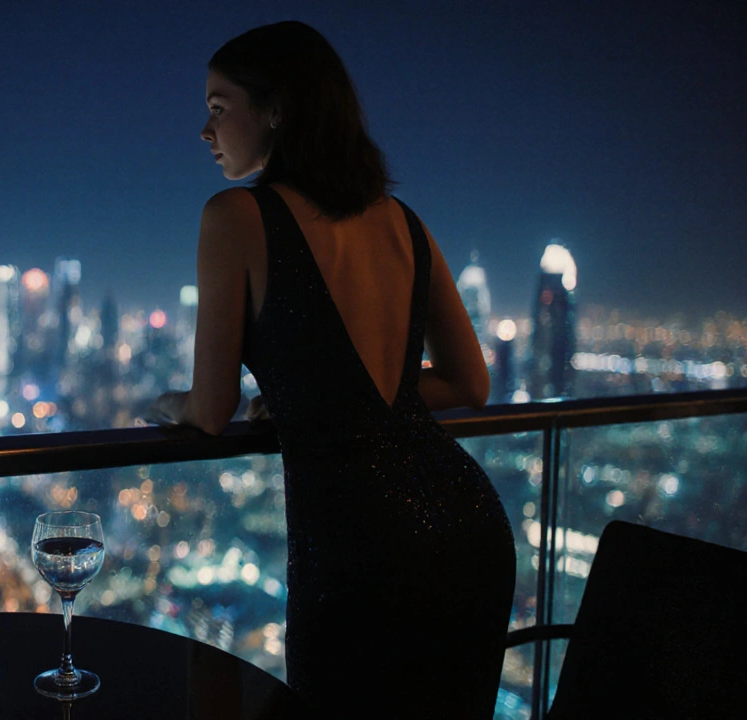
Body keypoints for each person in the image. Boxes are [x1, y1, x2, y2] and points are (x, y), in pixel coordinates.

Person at [146, 21, 516, 717]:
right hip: (467, 528)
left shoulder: (234, 217)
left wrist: (167, 404)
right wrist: (328, 402)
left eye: (220, 109)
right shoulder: (404, 222)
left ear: (278, 110)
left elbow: (210, 408)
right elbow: (472, 383)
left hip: (355, 550)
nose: (204, 130)